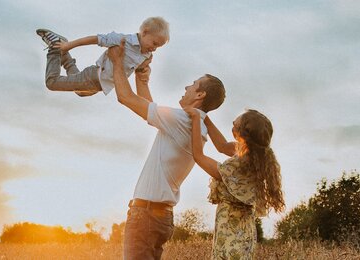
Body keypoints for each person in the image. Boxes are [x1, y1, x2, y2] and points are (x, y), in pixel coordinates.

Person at [107, 39, 226, 260]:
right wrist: (141, 75)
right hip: (158, 216)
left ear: (200, 95)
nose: (186, 87)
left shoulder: (183, 119)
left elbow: (126, 97)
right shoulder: (193, 124)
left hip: (147, 216)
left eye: (193, 84)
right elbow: (149, 108)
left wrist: (116, 62)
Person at [184, 107, 285, 259]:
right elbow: (222, 146)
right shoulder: (253, 156)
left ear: (243, 133)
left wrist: (195, 119)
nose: (232, 124)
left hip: (231, 234)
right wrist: (205, 118)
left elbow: (198, 156)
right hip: (243, 232)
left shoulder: (238, 166)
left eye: (234, 125)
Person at [36, 17, 169, 97]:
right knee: (52, 83)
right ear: (145, 33)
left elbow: (140, 71)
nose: (154, 48)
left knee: (79, 92)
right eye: (154, 43)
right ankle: (56, 47)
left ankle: (62, 49)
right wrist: (69, 45)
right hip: (93, 77)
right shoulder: (122, 40)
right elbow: (95, 39)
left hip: (100, 86)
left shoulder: (146, 55)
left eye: (158, 47)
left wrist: (146, 69)